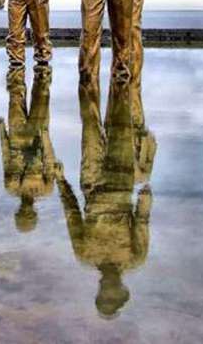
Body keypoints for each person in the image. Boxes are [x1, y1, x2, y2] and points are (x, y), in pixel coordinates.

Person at [55, 79, 151, 318]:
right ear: (122, 291)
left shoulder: (85, 255)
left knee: (90, 121)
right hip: (121, 185)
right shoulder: (135, 258)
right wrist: (145, 200)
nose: (109, 290)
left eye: (105, 295)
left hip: (92, 183)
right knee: (121, 124)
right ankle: (117, 81)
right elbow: (142, 222)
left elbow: (72, 214)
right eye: (112, 295)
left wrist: (61, 181)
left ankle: (102, 81)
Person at [0, 69, 58, 233]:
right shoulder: (45, 190)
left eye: (23, 214)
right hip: (37, 135)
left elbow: (6, 158)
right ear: (34, 214)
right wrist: (45, 137)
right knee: (42, 92)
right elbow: (49, 160)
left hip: (17, 137)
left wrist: (2, 131)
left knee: (16, 94)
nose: (26, 211)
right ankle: (41, 66)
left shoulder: (12, 188)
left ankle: (18, 66)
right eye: (28, 215)